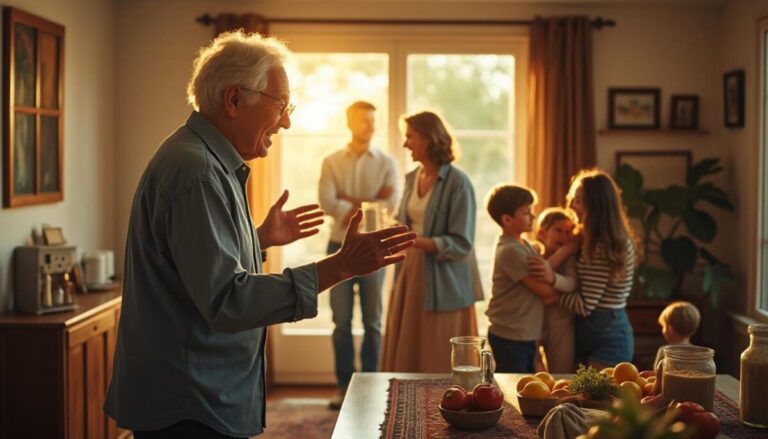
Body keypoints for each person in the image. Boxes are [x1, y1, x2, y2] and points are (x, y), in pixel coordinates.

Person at [103, 31, 416, 439]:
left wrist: (257, 238)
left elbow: (195, 264)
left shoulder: (205, 160)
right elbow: (226, 300)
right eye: (280, 105)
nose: (287, 121)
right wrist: (338, 267)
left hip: (196, 397)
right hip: (190, 405)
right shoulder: (196, 171)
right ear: (234, 100)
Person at [380, 111, 482, 373]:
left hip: (445, 279)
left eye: (410, 137)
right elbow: (404, 220)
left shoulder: (458, 183)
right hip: (410, 270)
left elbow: (462, 243)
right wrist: (393, 229)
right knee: (411, 347)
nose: (405, 144)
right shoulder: (412, 177)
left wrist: (413, 240)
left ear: (429, 138)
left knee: (438, 352)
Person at [318, 101, 400, 409]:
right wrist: (368, 202)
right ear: (350, 122)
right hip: (337, 249)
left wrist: (349, 202)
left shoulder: (387, 162)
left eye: (373, 121)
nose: (370, 126)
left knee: (373, 322)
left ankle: (370, 386)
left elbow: (390, 204)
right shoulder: (331, 161)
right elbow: (326, 201)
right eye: (364, 121)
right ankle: (343, 387)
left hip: (374, 249)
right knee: (341, 322)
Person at [529, 169, 638, 370]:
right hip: (589, 330)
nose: (571, 205)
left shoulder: (603, 245)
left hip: (606, 336)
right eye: (573, 198)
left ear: (597, 205)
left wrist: (553, 296)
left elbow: (585, 305)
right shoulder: (587, 237)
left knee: (594, 399)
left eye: (578, 200)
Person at [484, 185, 559, 373]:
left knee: (527, 383)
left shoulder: (522, 243)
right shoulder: (510, 250)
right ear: (507, 219)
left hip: (523, 333)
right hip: (511, 336)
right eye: (527, 212)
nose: (533, 217)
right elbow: (545, 291)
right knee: (513, 386)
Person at [534, 208, 578, 373]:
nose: (564, 236)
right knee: (534, 372)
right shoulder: (534, 252)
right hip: (534, 324)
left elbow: (571, 284)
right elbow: (535, 277)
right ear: (542, 233)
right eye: (558, 230)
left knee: (561, 373)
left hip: (561, 325)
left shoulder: (570, 259)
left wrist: (552, 279)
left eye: (568, 232)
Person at [653, 301, 701, 370]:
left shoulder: (664, 351)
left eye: (663, 326)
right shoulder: (699, 352)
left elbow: (657, 374)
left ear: (670, 328)